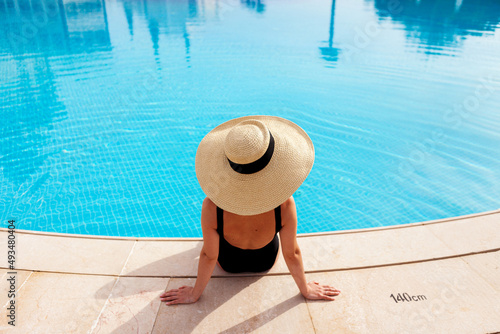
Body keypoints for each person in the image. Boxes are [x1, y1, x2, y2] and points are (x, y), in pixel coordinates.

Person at [160, 116, 341, 305]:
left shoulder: (211, 206)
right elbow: (292, 253)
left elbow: (209, 256)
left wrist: (194, 293)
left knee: (208, 242)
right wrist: (306, 289)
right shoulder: (285, 204)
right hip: (265, 261)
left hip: (228, 263)